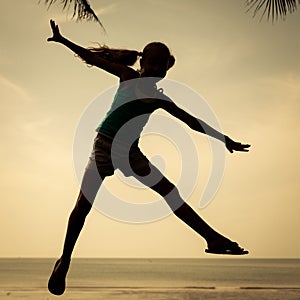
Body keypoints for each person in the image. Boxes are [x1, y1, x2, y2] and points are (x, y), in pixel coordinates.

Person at [47, 19, 251, 295]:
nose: (155, 69)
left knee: (170, 191)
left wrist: (224, 139)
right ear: (142, 63)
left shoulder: (159, 99)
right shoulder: (128, 77)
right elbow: (92, 58)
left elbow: (193, 122)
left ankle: (211, 238)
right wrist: (63, 40)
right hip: (104, 148)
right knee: (83, 206)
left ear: (167, 67)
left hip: (131, 153)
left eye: (161, 65)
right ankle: (65, 259)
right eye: (152, 63)